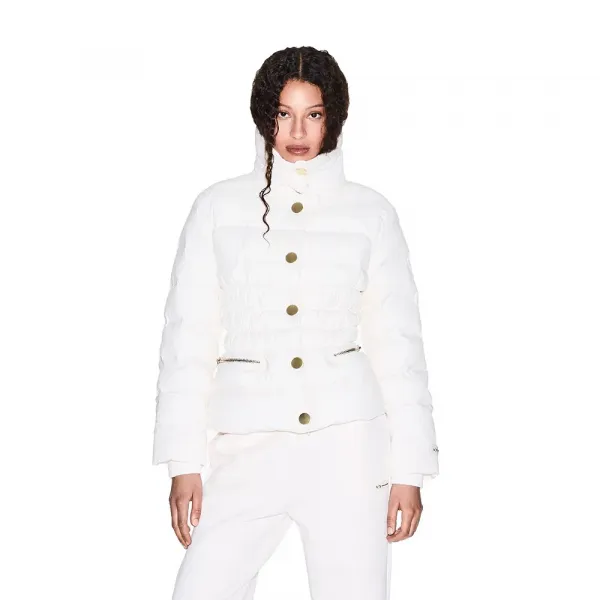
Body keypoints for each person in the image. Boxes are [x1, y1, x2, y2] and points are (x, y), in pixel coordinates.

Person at [152, 45, 440, 600]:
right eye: (284, 113)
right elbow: (187, 338)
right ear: (265, 114)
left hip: (348, 448)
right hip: (246, 443)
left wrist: (410, 469)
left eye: (314, 114)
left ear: (334, 118)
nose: (298, 131)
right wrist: (182, 461)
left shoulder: (372, 213)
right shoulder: (217, 207)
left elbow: (398, 345)